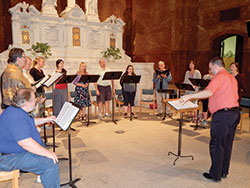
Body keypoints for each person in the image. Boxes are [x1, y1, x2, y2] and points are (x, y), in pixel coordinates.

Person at [181, 57, 240, 182]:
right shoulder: (232, 78)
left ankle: (215, 175)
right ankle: (223, 171)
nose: (210, 70)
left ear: (215, 66)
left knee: (216, 145)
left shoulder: (218, 77)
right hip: (234, 113)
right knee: (227, 144)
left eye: (210, 68)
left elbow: (208, 92)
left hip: (223, 115)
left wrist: (189, 97)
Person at [0, 88, 60, 188]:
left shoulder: (15, 109)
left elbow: (29, 122)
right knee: (49, 163)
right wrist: (48, 153)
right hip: (9, 158)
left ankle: (46, 177)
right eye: (33, 99)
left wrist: (47, 119)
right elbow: (25, 142)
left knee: (42, 148)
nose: (35, 100)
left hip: (13, 152)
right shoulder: (17, 117)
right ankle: (47, 176)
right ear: (26, 102)